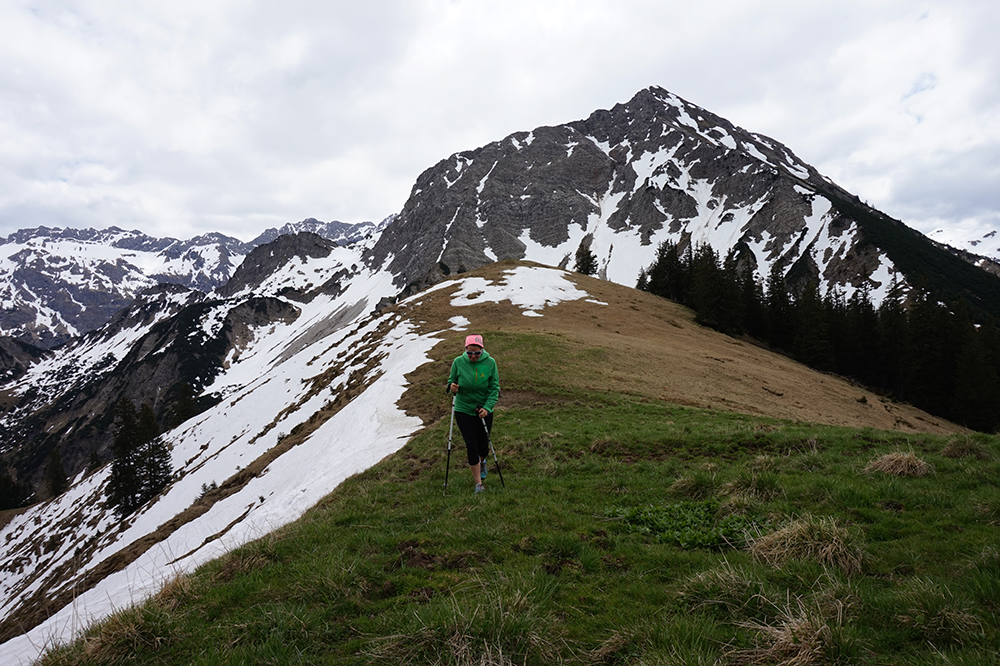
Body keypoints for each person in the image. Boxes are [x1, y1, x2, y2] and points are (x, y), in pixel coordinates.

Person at [447, 334, 500, 493]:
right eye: (469, 353)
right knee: (472, 445)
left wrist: (488, 407)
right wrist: (452, 387)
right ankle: (478, 484)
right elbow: (451, 381)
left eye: (476, 353)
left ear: (482, 350)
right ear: (465, 350)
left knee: (483, 445)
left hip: (483, 408)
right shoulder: (458, 362)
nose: (473, 356)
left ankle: (483, 461)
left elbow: (494, 388)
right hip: (463, 408)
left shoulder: (490, 363)